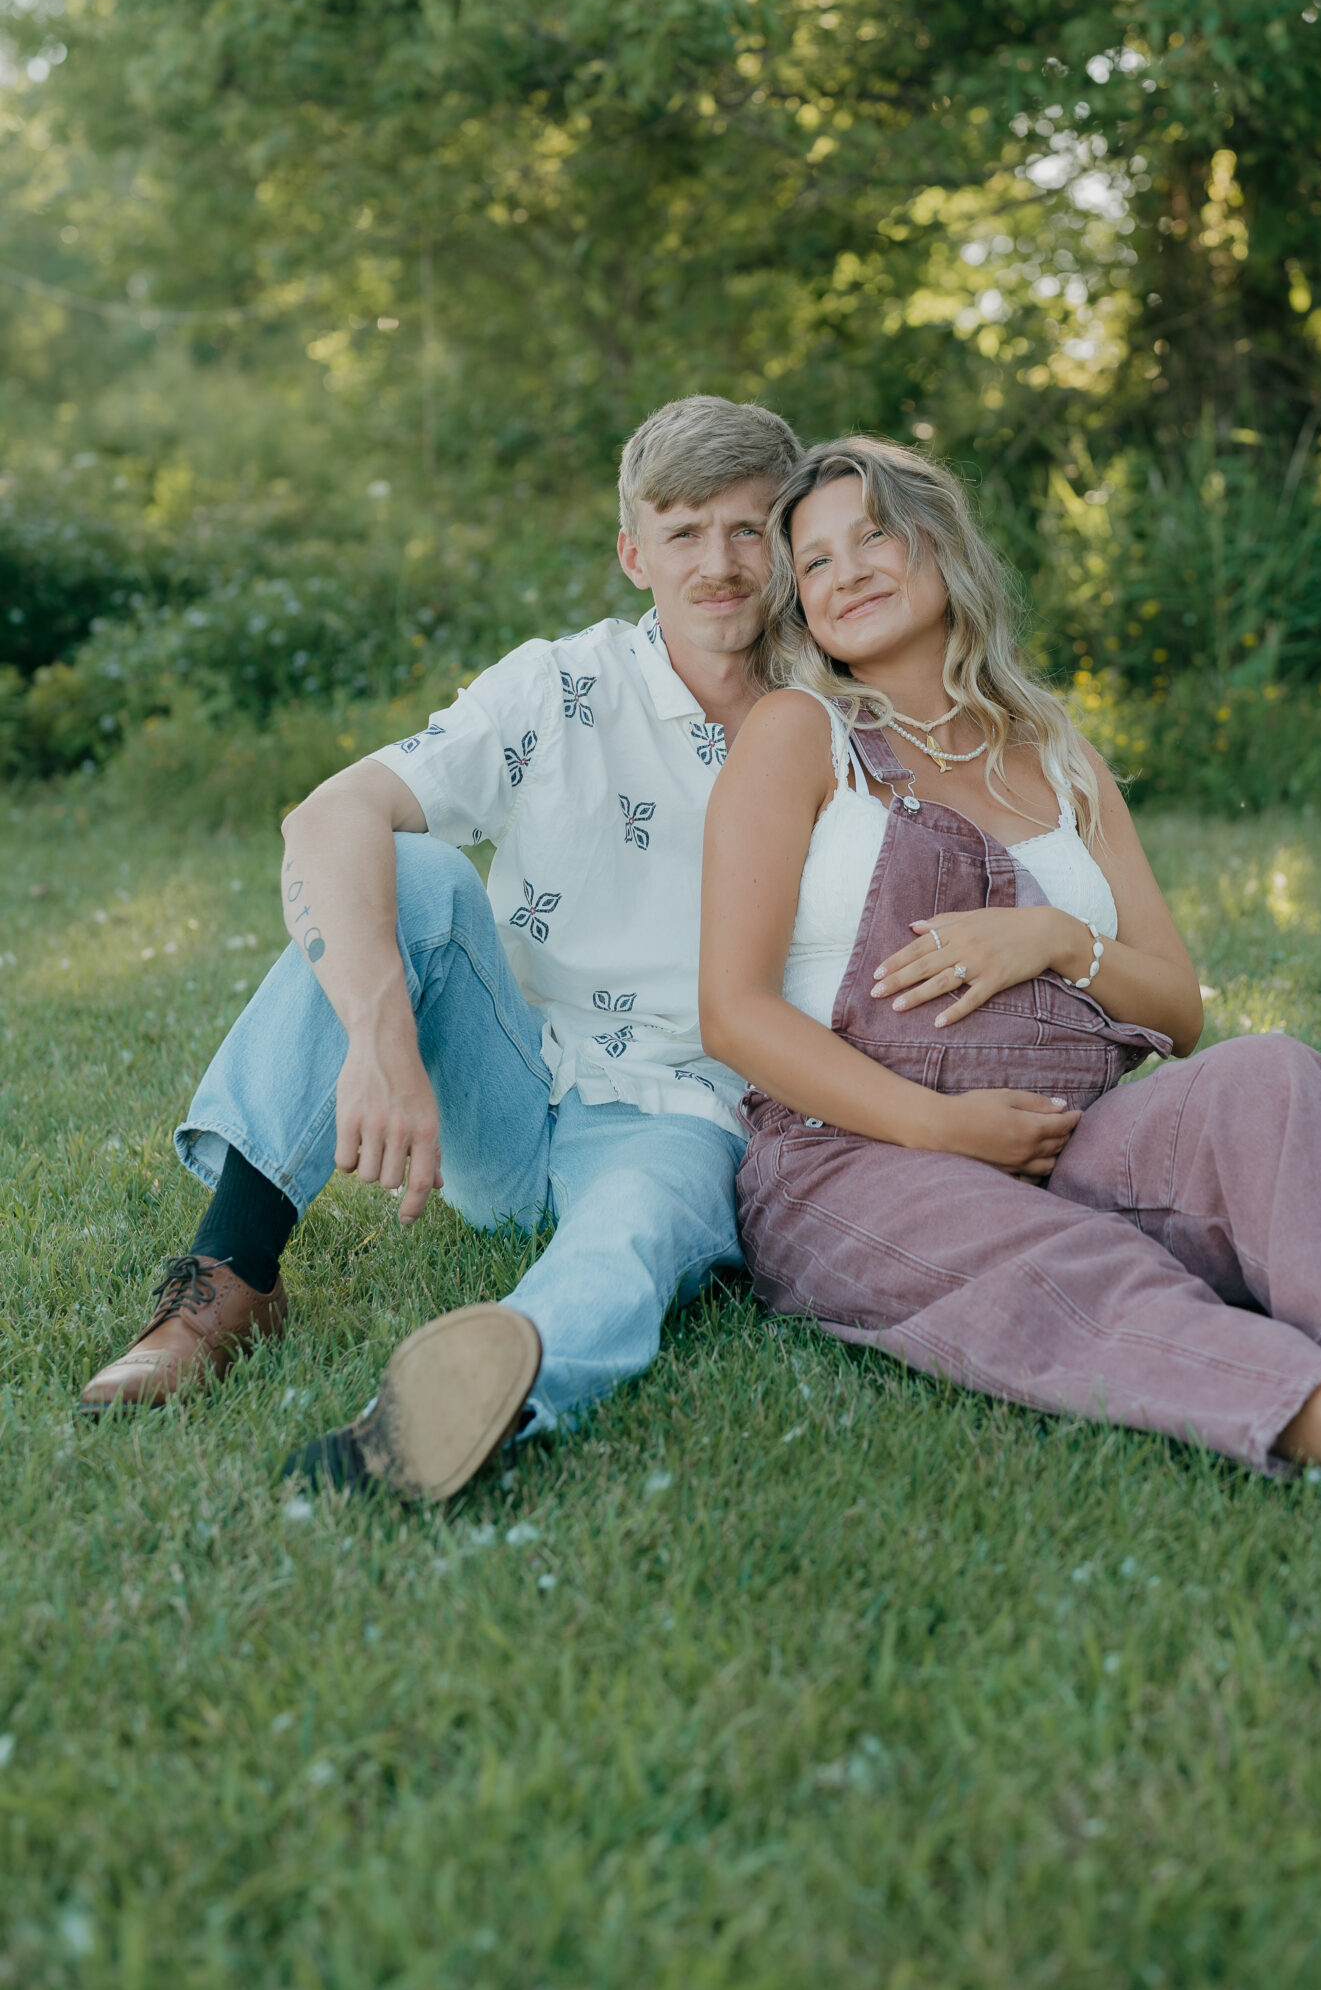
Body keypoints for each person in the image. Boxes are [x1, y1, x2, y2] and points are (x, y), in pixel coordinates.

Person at [699, 438, 1321, 1527]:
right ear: (802, 606)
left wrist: (1059, 939)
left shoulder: (1056, 754)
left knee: (1273, 1076)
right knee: (1068, 1262)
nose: (849, 572)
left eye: (872, 534)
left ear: (941, 546)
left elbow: (1179, 1009)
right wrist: (940, 1127)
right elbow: (732, 1012)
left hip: (1072, 1131)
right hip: (854, 1160)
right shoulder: (799, 735)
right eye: (816, 562)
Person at [79, 395, 804, 1500]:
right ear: (632, 552)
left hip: (677, 1113)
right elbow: (327, 815)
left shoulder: (836, 717)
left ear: (788, 544)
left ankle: (458, 1411)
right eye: (686, 530)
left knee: (632, 1236)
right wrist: (379, 1035)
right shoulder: (560, 683)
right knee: (404, 868)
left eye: (750, 528)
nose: (721, 562)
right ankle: (230, 1272)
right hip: (510, 1093)